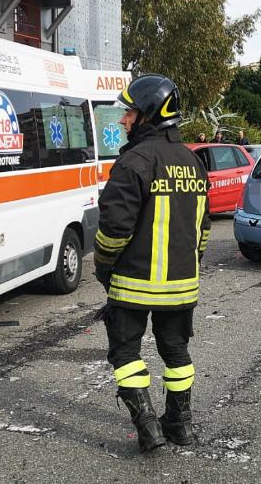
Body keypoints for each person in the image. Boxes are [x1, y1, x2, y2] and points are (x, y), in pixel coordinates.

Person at [94, 73, 211, 453]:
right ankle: (181, 424)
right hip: (182, 285)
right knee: (177, 355)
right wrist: (189, 264)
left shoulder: (135, 161)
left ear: (147, 115)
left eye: (129, 112)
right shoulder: (193, 162)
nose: (123, 120)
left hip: (132, 284)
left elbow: (113, 228)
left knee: (126, 353)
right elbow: (203, 230)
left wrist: (103, 266)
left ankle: (148, 429)